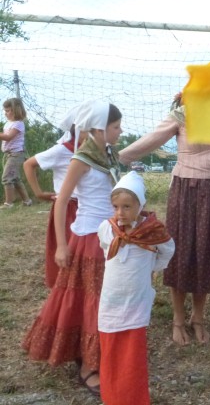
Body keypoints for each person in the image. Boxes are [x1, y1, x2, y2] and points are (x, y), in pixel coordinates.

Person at [22, 100, 123, 397]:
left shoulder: (108, 155)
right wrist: (61, 246)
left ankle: (93, 351)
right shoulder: (82, 158)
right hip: (89, 238)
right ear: (99, 128)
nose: (120, 131)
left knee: (97, 299)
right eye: (116, 127)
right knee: (91, 300)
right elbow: (62, 201)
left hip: (107, 235)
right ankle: (88, 367)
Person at [119, 97, 210, 346]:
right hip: (186, 187)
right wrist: (115, 157)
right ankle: (177, 318)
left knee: (207, 252)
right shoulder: (182, 115)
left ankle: (198, 317)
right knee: (180, 251)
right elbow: (151, 140)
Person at [97, 171, 174, 405]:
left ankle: (134, 399)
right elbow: (105, 249)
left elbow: (167, 251)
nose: (120, 213)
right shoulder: (107, 228)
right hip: (111, 299)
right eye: (116, 206)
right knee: (110, 350)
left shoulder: (152, 231)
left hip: (136, 299)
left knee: (132, 354)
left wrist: (151, 266)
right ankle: (112, 397)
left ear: (140, 205)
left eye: (127, 207)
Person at [23, 109, 84, 288]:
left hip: (88, 207)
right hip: (68, 208)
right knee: (68, 250)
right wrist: (38, 192)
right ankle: (65, 287)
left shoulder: (96, 151)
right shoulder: (62, 150)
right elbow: (29, 164)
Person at [1, 97, 32, 209]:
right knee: (15, 178)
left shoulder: (18, 124)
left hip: (16, 154)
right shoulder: (8, 124)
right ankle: (27, 201)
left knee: (7, 178)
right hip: (8, 154)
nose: (6, 113)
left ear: (16, 110)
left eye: (8, 111)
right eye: (5, 111)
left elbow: (8, 137)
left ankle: (8, 203)